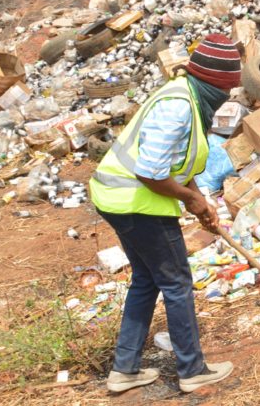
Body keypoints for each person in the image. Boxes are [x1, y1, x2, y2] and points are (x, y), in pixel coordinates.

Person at [90, 34, 242, 393]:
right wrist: (191, 202)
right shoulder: (178, 106)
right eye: (229, 87)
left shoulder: (189, 97)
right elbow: (150, 171)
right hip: (135, 204)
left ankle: (124, 370)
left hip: (120, 199)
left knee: (146, 280)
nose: (228, 96)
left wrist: (202, 199)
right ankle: (192, 370)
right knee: (176, 283)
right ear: (217, 83)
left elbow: (180, 161)